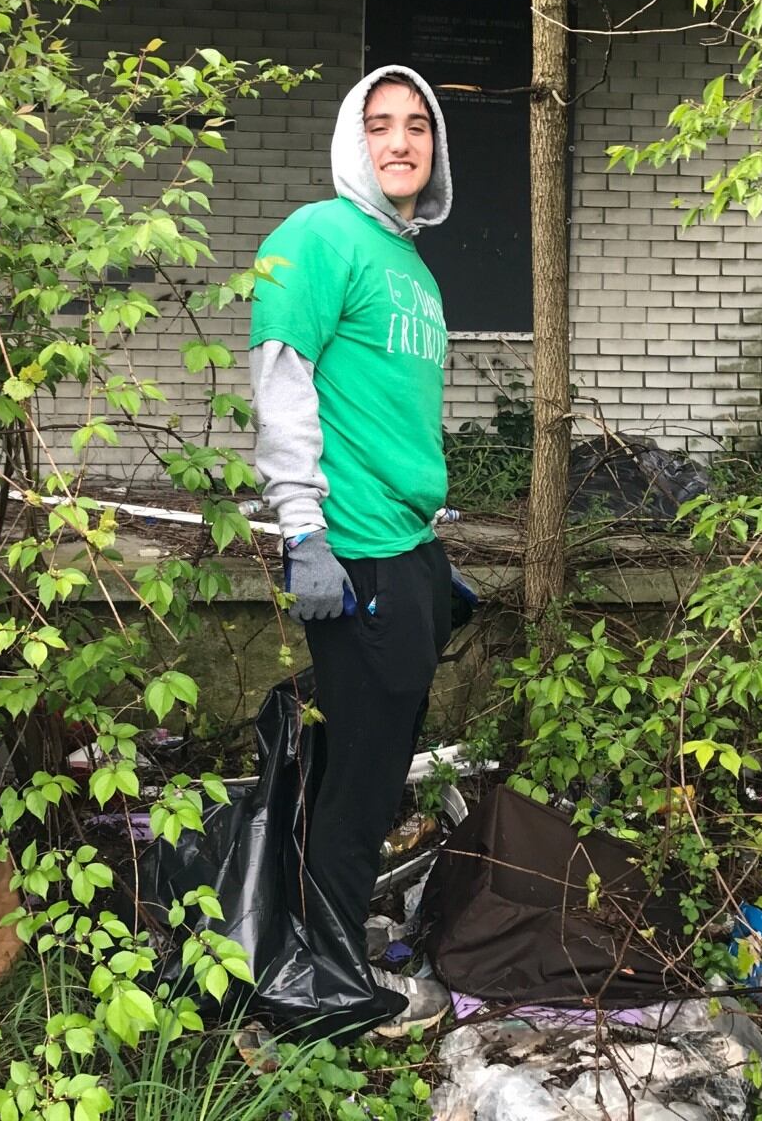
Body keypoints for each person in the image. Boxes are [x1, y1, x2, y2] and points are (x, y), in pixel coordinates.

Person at [247, 65, 458, 1037]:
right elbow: (281, 383)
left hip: (404, 550)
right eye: (381, 125)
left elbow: (392, 415)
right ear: (353, 139)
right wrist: (303, 532)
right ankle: (324, 990)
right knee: (364, 782)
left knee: (366, 768)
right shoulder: (318, 238)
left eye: (417, 125)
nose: (401, 141)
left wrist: (428, 553)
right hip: (352, 552)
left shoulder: (410, 264)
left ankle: (318, 949)